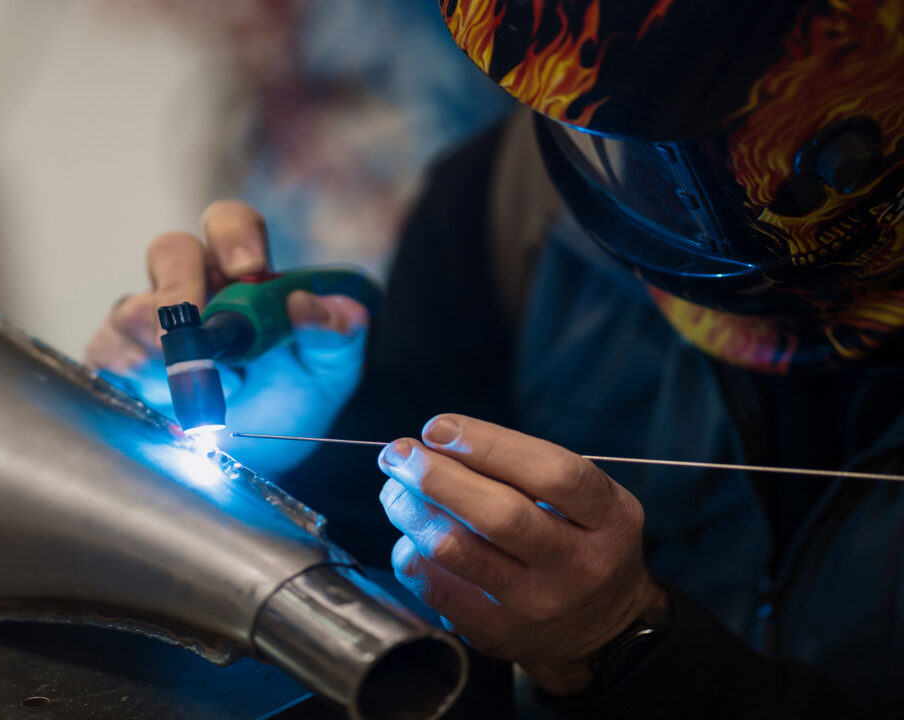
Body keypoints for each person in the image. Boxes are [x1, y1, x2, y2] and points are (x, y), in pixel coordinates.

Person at [87, 0, 904, 716]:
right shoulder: (498, 204)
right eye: (598, 137)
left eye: (673, 150)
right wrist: (287, 465)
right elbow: (382, 599)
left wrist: (625, 651)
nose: (634, 180)